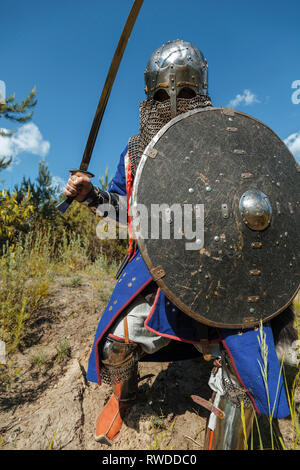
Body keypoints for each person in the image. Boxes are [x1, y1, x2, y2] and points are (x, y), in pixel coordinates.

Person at [64, 40, 296, 450]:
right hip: (159, 269)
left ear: (201, 92)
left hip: (225, 268)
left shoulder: (226, 138)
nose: (173, 101)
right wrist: (92, 196)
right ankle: (125, 393)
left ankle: (231, 427)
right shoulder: (136, 152)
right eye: (162, 93)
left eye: (186, 92)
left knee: (248, 366)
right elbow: (123, 210)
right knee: (115, 341)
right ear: (149, 97)